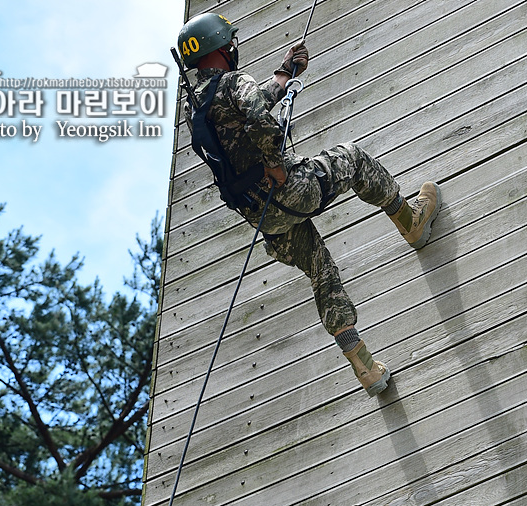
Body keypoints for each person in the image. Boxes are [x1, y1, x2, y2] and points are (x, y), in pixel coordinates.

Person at [175, 12, 440, 396]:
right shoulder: (233, 81)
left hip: (261, 215)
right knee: (353, 159)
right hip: (288, 189)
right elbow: (256, 118)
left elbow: (240, 117)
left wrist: (283, 76)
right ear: (221, 48)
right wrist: (275, 165)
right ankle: (410, 220)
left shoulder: (194, 108)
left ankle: (364, 366)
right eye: (229, 43)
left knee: (320, 268)